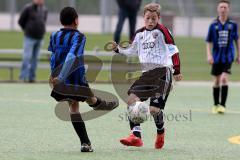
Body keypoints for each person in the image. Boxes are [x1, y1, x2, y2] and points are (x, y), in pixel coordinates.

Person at [48, 7, 118, 152]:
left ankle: (86, 142)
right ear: (76, 20)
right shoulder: (79, 37)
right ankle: (86, 141)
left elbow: (53, 56)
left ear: (61, 21)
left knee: (76, 106)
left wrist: (53, 75)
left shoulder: (54, 35)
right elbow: (72, 56)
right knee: (82, 103)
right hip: (73, 77)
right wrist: (61, 77)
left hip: (60, 79)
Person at [112, 3, 182, 149]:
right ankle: (136, 136)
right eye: (148, 18)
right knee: (131, 100)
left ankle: (160, 132)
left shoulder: (163, 31)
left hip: (163, 72)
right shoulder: (138, 33)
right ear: (143, 17)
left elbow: (173, 51)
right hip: (146, 75)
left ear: (159, 18)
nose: (151, 21)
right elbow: (132, 51)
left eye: (154, 18)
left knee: (154, 110)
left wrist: (177, 70)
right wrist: (118, 49)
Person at [206, 0, 240, 114]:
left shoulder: (233, 25)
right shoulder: (213, 25)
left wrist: (239, 55)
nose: (223, 9)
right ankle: (215, 105)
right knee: (216, 81)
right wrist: (209, 55)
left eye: (225, 7)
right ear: (218, 9)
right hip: (216, 57)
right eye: (221, 7)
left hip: (228, 56)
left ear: (228, 9)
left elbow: (237, 40)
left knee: (224, 79)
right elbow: (208, 41)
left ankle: (222, 105)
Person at [18, 0, 48, 82]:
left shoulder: (44, 9)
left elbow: (43, 21)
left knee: (35, 59)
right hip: (29, 37)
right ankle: (22, 77)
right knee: (26, 57)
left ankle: (32, 77)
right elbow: (21, 21)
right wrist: (27, 30)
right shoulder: (28, 8)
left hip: (39, 38)